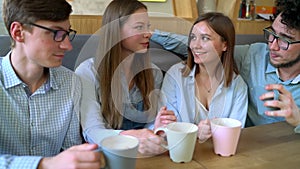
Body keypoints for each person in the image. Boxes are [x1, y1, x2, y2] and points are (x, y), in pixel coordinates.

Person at [151, 0, 300, 133]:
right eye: (272, 34)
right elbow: (204, 50)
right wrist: (148, 34)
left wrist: (298, 120)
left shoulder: (237, 85)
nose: (272, 46)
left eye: (285, 40)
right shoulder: (253, 55)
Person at [0, 0, 103, 168]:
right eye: (56, 33)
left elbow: (71, 150)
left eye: (67, 33)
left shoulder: (71, 82)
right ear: (18, 32)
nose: (67, 45)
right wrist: (45, 164)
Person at [75, 0, 175, 156]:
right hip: (107, 154)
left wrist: (157, 128)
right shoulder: (88, 72)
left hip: (145, 155)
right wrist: (130, 137)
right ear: (116, 31)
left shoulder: (153, 72)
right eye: (139, 27)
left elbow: (151, 123)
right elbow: (92, 131)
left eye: (147, 26)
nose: (148, 33)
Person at [160, 12, 248, 142]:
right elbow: (166, 128)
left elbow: (235, 132)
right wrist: (195, 133)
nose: (195, 45)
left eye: (205, 38)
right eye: (193, 37)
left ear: (225, 45)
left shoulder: (237, 85)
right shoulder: (175, 76)